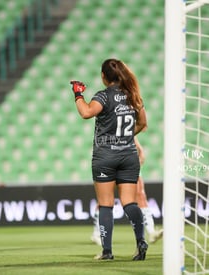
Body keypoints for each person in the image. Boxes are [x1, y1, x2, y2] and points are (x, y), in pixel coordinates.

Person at [70, 58, 148, 261]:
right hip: (128, 155)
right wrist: (126, 137)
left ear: (104, 77)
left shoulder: (103, 97)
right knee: (130, 202)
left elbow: (86, 112)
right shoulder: (133, 96)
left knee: (105, 204)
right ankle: (141, 241)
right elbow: (142, 123)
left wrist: (78, 94)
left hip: (105, 156)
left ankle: (107, 251)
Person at [90, 136, 163, 246]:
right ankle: (97, 233)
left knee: (140, 195)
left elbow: (132, 132)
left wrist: (139, 148)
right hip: (111, 157)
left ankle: (151, 232)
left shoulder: (128, 124)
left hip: (128, 158)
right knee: (105, 199)